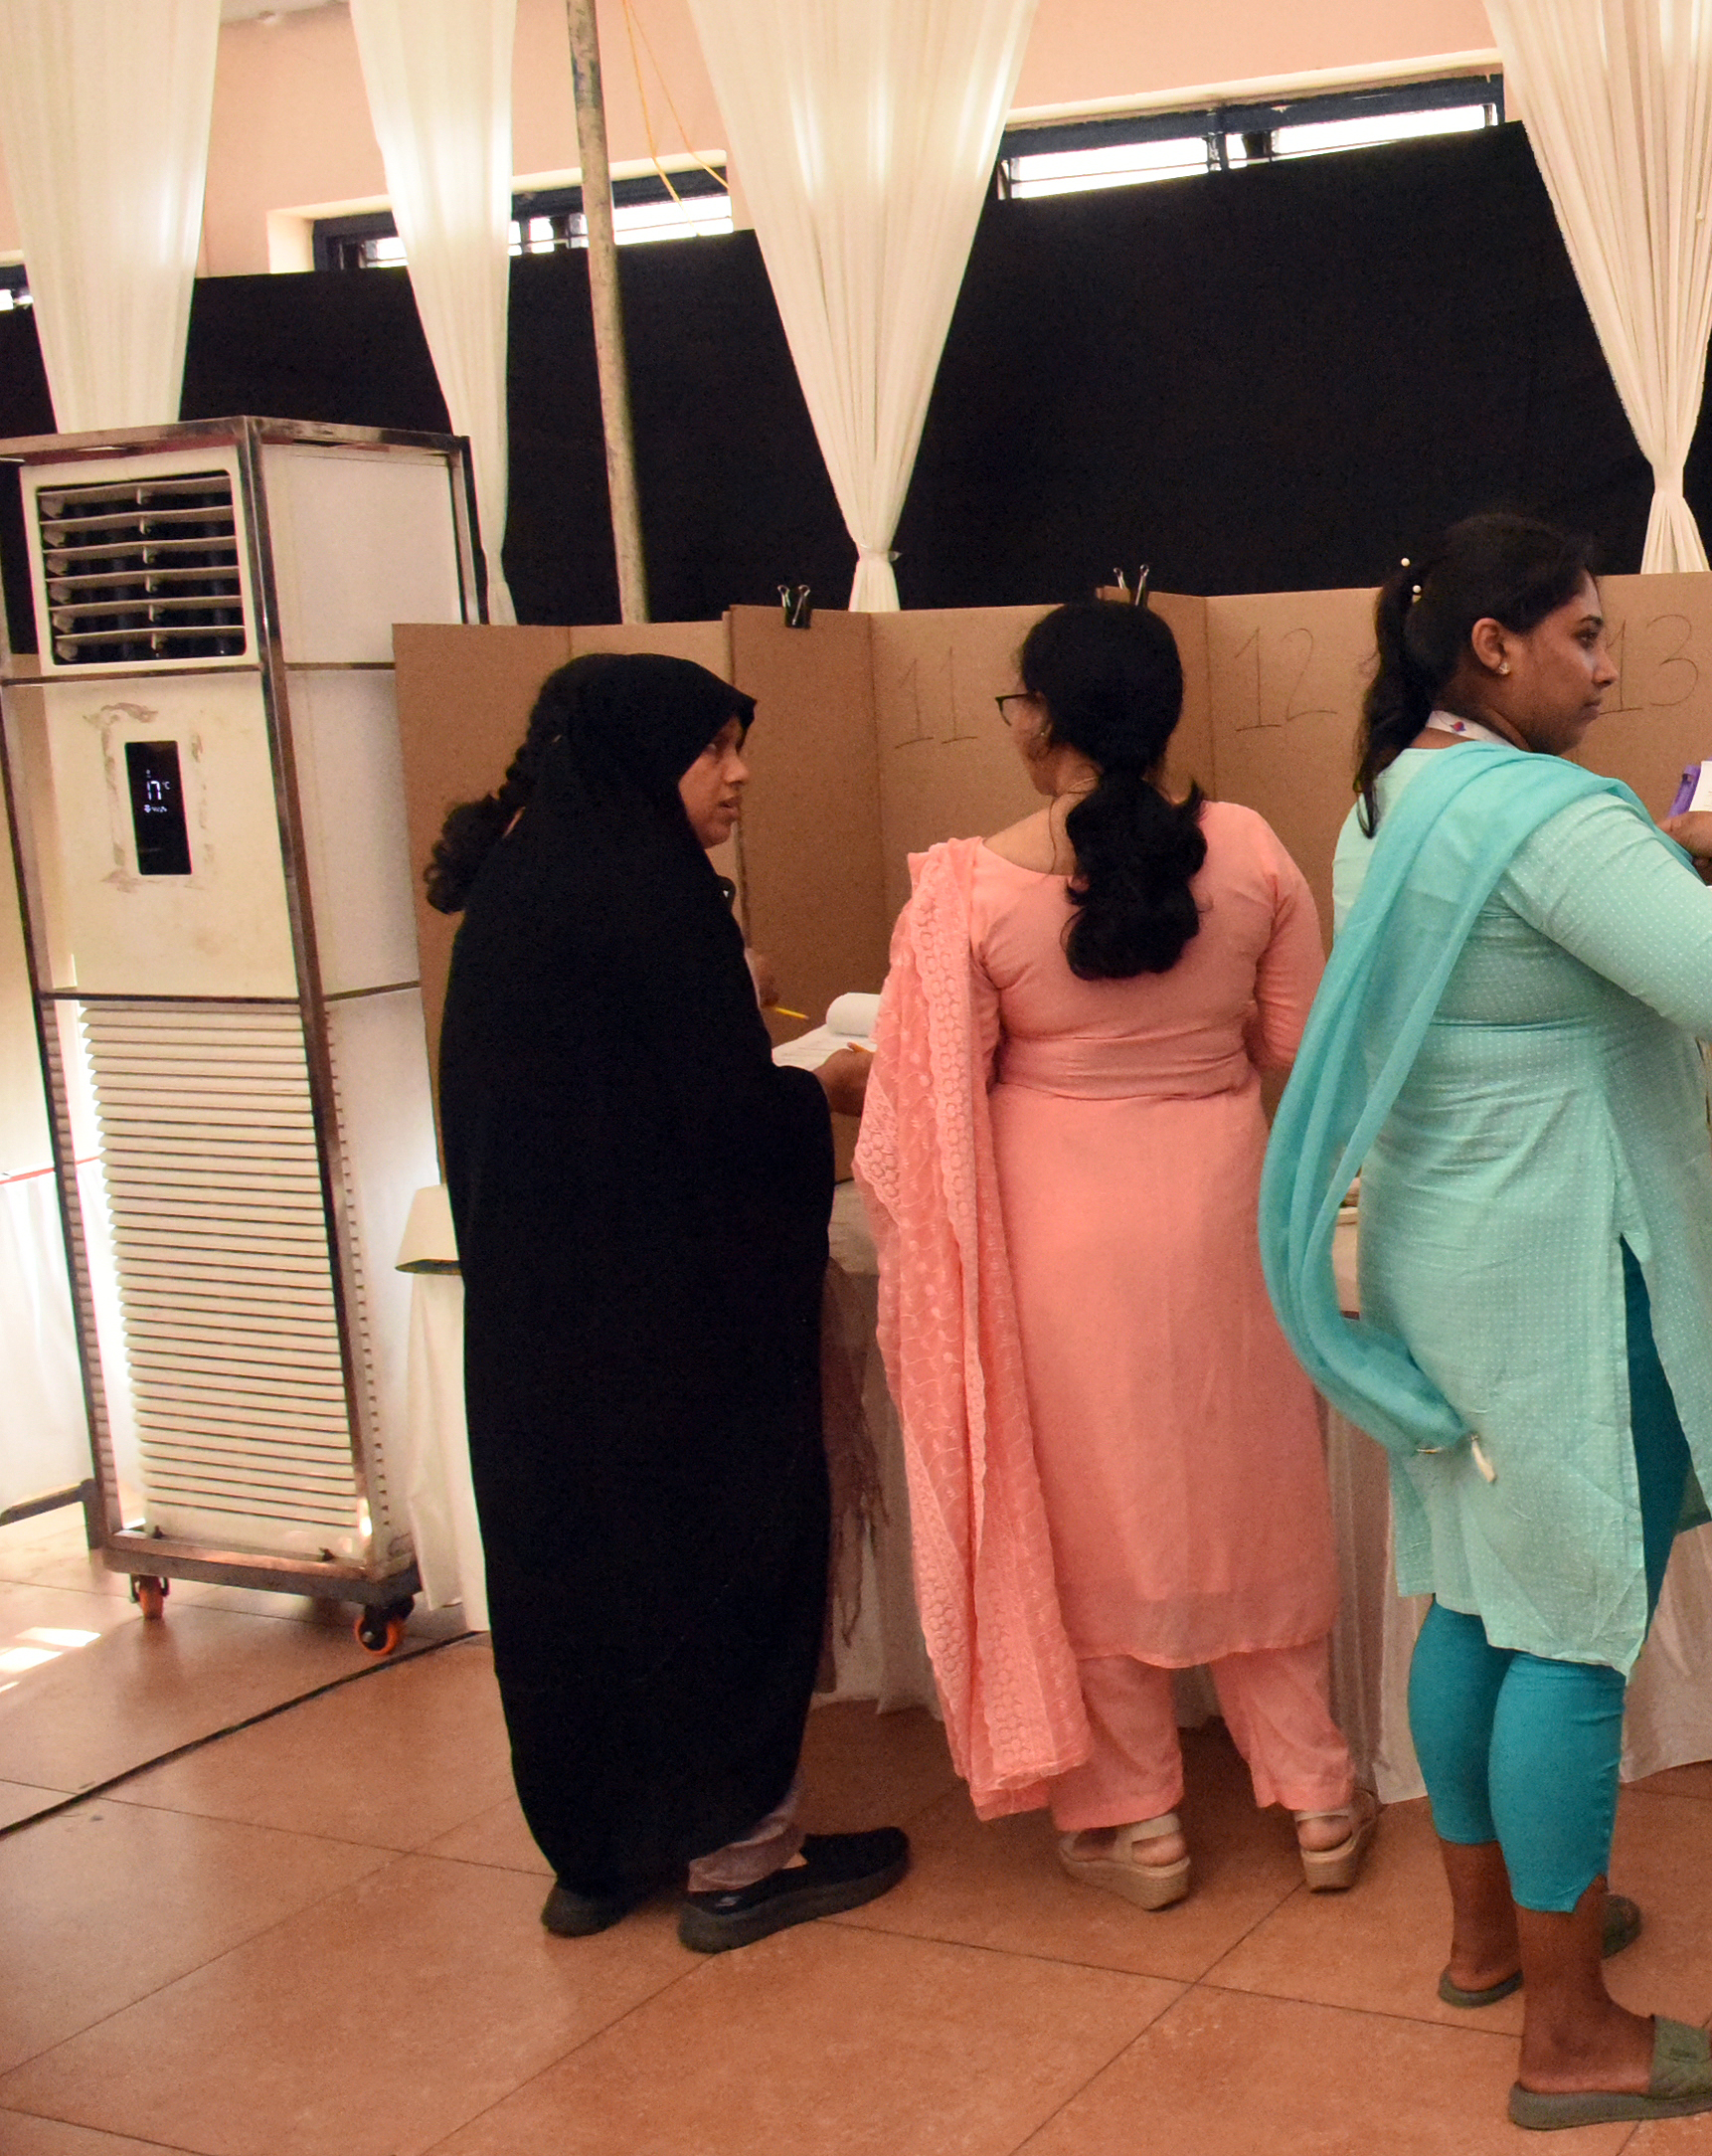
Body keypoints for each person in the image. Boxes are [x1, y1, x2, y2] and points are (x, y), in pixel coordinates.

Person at [1262, 512, 1712, 2132]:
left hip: (1446, 1253)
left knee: (1473, 1599)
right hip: (1571, 1260)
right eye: (1581, 634)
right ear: (1491, 646)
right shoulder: (1547, 816)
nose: (1608, 663)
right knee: (1573, 1617)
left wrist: (1645, 856)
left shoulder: (1391, 799)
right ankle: (1569, 2037)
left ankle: (1489, 1941)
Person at [856, 599, 1369, 1905]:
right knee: (1254, 1482)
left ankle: (1139, 1822)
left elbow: (928, 1106)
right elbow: (1300, 1053)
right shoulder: (1248, 849)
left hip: (1058, 1228)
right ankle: (1315, 1795)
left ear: (1040, 720)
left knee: (1088, 1514)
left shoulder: (968, 887)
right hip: (1224, 1211)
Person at [431, 652, 906, 1954]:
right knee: (713, 1560)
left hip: (537, 1332)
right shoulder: (655, 899)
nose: (740, 773)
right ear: (645, 760)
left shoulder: (514, 891)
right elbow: (717, 1124)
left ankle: (593, 1854)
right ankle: (741, 1861)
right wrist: (820, 1083)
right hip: (678, 1341)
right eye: (717, 749)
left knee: (568, 1576)